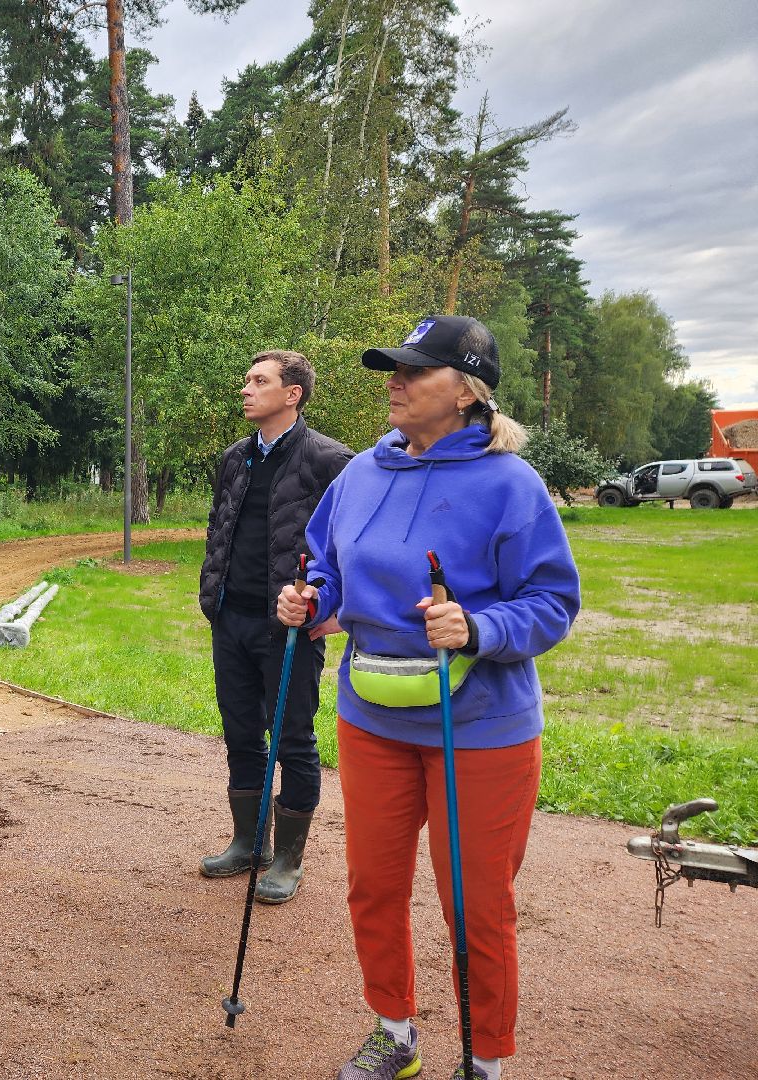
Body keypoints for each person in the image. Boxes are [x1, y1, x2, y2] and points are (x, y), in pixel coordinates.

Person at [274, 316, 580, 1080]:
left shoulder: (512, 483)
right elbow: (326, 566)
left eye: (415, 370)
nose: (395, 381)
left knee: (475, 905)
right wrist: (311, 600)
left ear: (468, 391)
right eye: (393, 368)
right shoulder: (360, 474)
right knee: (373, 884)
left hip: (480, 727)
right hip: (371, 715)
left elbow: (552, 601)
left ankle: (486, 1059)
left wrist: (475, 625)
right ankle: (394, 1032)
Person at [197, 350, 352, 903]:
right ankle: (249, 841)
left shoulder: (330, 461)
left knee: (293, 741)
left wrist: (331, 615)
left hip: (289, 629)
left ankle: (288, 859)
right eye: (246, 379)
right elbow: (221, 529)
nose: (246, 389)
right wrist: (213, 598)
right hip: (231, 619)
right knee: (240, 734)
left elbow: (352, 547)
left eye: (259, 381)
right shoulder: (233, 459)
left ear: (293, 394)